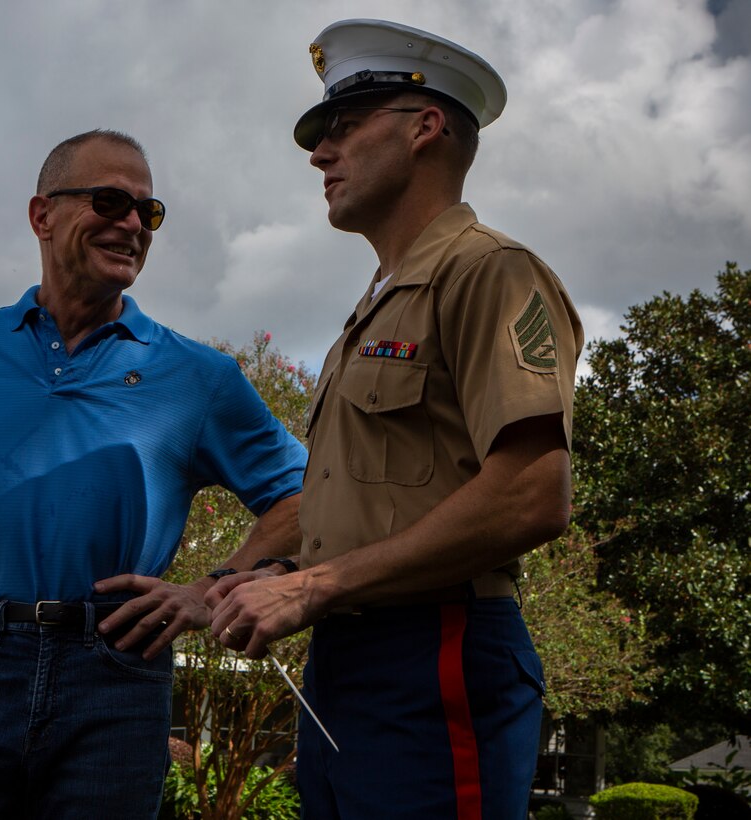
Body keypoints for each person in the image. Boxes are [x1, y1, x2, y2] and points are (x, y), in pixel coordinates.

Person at [0, 129, 306, 819]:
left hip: (118, 667)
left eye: (146, 212)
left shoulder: (199, 377)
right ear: (42, 216)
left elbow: (303, 496)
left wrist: (208, 591)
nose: (131, 224)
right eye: (109, 201)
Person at [208, 20, 585, 819]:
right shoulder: (376, 303)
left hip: (436, 650)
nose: (319, 153)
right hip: (349, 656)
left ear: (424, 127)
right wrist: (232, 582)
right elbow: (358, 499)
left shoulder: (490, 272)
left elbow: (531, 495)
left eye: (345, 127)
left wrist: (313, 585)